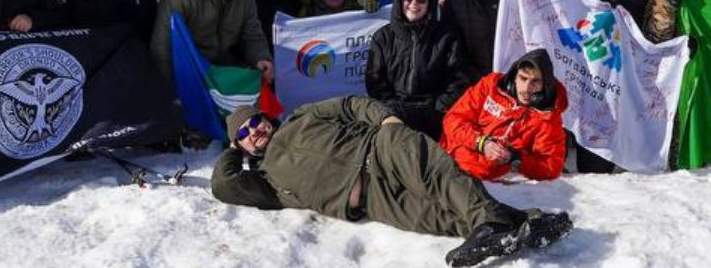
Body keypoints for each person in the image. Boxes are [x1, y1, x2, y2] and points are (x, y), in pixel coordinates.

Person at [210, 98, 570, 267]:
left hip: (380, 150)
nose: (254, 130)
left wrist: (385, 122)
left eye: (254, 121)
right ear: (239, 144)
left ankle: (495, 222)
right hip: (374, 201)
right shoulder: (267, 180)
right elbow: (222, 185)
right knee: (440, 216)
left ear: (266, 118)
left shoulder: (302, 115)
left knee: (440, 178)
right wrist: (230, 150)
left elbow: (351, 105)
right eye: (243, 132)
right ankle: (524, 224)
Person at [150, 0, 272, 96]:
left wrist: (261, 57)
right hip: (188, 71)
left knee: (262, 103)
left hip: (222, 69)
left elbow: (252, 34)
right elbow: (162, 47)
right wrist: (168, 90)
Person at [365, 0, 472, 137]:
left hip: (433, 114)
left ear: (430, 3)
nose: (414, 3)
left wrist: (439, 106)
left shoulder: (446, 36)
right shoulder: (383, 37)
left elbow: (459, 79)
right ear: (399, 0)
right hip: (394, 113)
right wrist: (390, 106)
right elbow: (374, 80)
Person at [442, 48, 567, 181]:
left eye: (535, 81)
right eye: (523, 78)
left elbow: (551, 165)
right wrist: (481, 143)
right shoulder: (490, 85)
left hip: (486, 178)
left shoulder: (547, 116)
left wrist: (515, 159)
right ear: (514, 76)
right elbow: (453, 119)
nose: (526, 88)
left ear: (545, 84)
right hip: (448, 158)